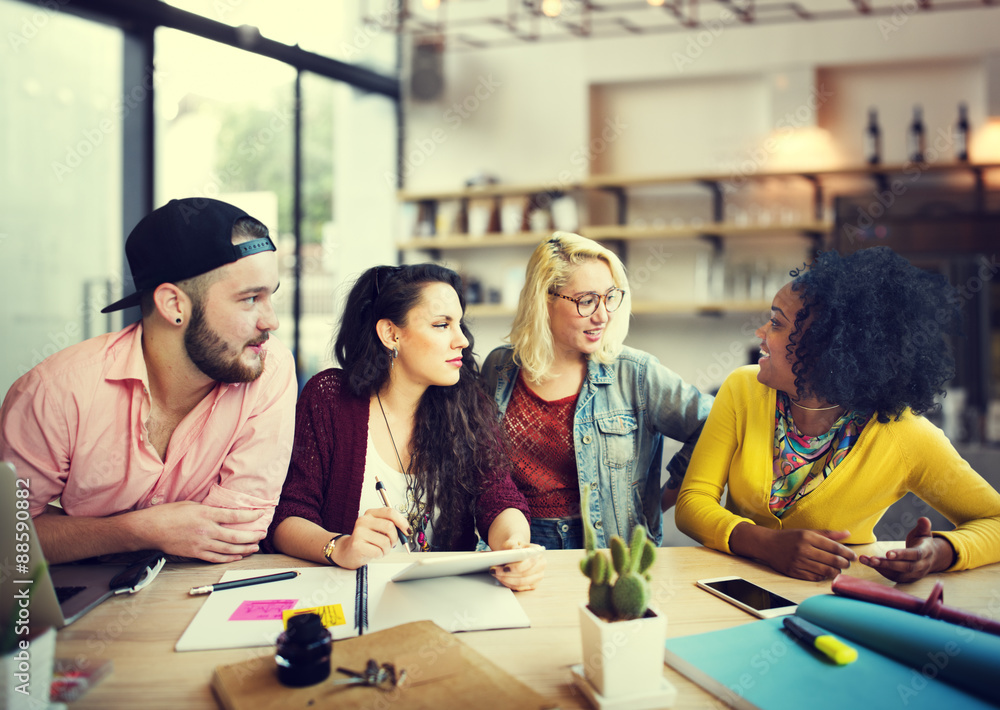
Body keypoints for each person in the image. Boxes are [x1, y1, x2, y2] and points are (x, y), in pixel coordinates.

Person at [675, 247, 1000, 583]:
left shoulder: (905, 435)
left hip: (834, 600)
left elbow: (995, 520)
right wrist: (767, 544)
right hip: (732, 590)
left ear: (824, 350)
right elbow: (693, 502)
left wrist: (938, 553)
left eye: (775, 323)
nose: (760, 333)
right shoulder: (742, 389)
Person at [0, 198, 297, 564]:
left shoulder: (269, 367)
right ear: (174, 305)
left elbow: (236, 533)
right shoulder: (53, 393)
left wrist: (80, 534)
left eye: (271, 297)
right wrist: (137, 531)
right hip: (78, 614)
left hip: (203, 595)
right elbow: (8, 540)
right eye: (251, 299)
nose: (271, 322)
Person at [266, 263, 544, 591]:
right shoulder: (329, 399)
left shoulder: (466, 401)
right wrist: (338, 546)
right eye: (442, 325)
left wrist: (514, 546)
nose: (462, 341)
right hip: (350, 594)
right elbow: (287, 515)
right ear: (391, 334)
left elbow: (498, 496)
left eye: (460, 324)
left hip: (445, 597)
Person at [482, 232, 713, 550]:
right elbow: (482, 464)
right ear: (544, 300)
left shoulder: (636, 372)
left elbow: (714, 423)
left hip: (608, 550)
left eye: (610, 297)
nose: (603, 315)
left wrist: (661, 499)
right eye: (587, 301)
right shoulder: (500, 367)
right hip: (517, 543)